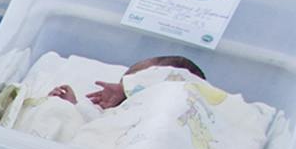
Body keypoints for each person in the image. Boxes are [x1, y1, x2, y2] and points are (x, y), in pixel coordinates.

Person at [48, 54, 205, 111]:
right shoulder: (115, 116)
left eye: (132, 84)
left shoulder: (193, 101)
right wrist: (71, 108)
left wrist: (127, 89)